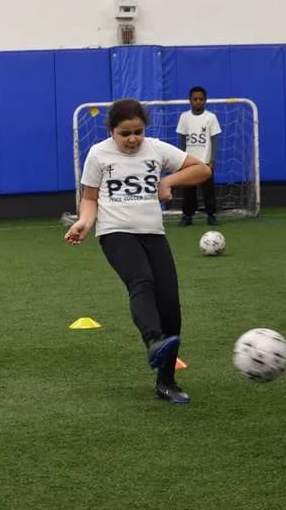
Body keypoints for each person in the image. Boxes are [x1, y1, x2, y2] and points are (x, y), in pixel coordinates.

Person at [65, 99, 211, 403]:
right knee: (141, 281)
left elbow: (202, 170)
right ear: (111, 131)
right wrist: (85, 222)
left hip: (153, 234)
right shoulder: (98, 154)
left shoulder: (156, 149)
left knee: (170, 304)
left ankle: (166, 382)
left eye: (138, 132)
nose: (132, 139)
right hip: (115, 233)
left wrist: (169, 180)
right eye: (124, 133)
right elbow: (90, 198)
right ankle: (154, 340)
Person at [176, 86, 221, 226]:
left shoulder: (211, 117)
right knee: (188, 190)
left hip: (205, 161)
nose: (198, 102)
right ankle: (187, 216)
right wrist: (181, 160)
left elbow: (214, 140)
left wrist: (212, 160)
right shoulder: (184, 117)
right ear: (190, 100)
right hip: (189, 162)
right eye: (195, 99)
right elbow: (182, 140)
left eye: (201, 99)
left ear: (205, 101)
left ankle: (211, 215)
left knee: (208, 190)